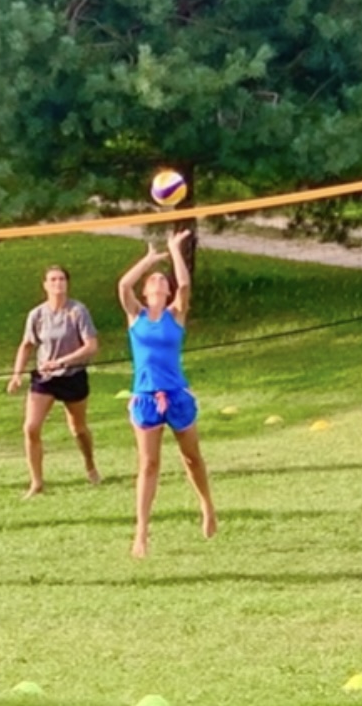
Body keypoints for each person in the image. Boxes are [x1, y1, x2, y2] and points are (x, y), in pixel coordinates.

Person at [118, 228, 216, 558]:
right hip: (146, 397)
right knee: (148, 464)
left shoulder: (175, 314)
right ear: (146, 291)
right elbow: (123, 286)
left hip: (176, 395)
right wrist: (148, 260)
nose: (159, 282)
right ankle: (141, 532)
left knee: (192, 457)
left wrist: (174, 249)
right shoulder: (136, 316)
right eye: (153, 281)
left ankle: (207, 506)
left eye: (163, 280)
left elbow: (185, 285)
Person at [7, 265, 101, 498]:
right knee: (30, 427)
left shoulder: (77, 311)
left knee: (78, 429)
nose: (57, 283)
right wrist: (17, 374)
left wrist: (62, 361)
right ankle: (37, 482)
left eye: (61, 279)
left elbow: (91, 346)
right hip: (45, 378)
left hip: (73, 376)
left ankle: (90, 464)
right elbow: (26, 345)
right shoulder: (37, 315)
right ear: (45, 285)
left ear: (67, 284)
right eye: (53, 279)